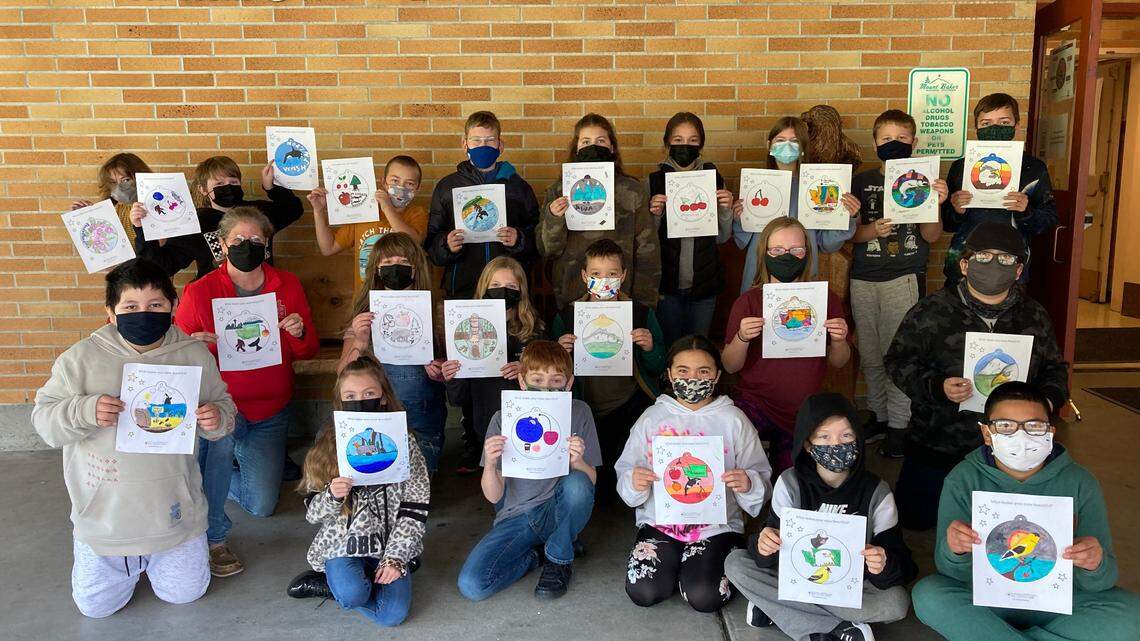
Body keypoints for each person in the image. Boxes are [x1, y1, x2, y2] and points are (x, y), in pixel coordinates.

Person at [31, 258, 236, 618]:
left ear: (173, 306)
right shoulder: (78, 360)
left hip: (175, 514)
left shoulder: (194, 356)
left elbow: (224, 409)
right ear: (110, 312)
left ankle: (160, 561)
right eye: (130, 306)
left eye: (156, 304)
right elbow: (45, 424)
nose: (144, 313)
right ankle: (126, 565)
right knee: (96, 608)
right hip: (107, 519)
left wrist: (216, 417)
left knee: (186, 594)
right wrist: (84, 411)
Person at [912, 382, 1140, 641]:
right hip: (988, 597)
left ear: (1050, 432)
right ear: (987, 434)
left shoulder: (1080, 482)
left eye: (1034, 426)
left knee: (1132, 615)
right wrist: (955, 550)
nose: (1021, 436)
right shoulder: (963, 479)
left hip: (1059, 600)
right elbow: (951, 572)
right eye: (1005, 426)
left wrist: (1094, 564)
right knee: (929, 595)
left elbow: (1102, 580)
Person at [885, 221, 1069, 531]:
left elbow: (1055, 369)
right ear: (965, 264)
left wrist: (1045, 403)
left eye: (1006, 258)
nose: (994, 264)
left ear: (1019, 270)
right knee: (916, 524)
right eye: (984, 256)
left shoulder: (1034, 315)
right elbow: (898, 361)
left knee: (1008, 531)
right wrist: (937, 387)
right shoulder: (931, 310)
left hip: (1014, 448)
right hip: (938, 443)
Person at [174, 207, 320, 576]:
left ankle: (219, 472)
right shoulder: (199, 291)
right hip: (219, 410)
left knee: (261, 505)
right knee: (212, 465)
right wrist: (192, 345)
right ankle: (214, 477)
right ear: (222, 245)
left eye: (256, 240)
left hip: (270, 410)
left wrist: (298, 333)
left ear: (267, 245)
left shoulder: (286, 284)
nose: (247, 246)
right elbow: (175, 359)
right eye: (238, 240)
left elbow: (309, 350)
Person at [724, 393, 916, 641]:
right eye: (824, 436)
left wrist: (883, 564)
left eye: (846, 435)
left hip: (848, 586)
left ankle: (776, 606)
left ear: (858, 439)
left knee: (896, 603)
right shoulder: (790, 482)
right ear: (807, 444)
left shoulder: (877, 491)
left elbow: (902, 566)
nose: (836, 444)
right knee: (735, 563)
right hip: (796, 578)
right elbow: (763, 556)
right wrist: (764, 546)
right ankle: (836, 628)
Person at [617, 335, 772, 613]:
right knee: (644, 589)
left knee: (705, 596)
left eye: (703, 371)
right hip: (661, 522)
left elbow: (760, 473)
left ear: (717, 375)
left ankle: (698, 564)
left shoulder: (734, 420)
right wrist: (634, 480)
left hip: (716, 526)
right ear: (669, 374)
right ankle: (678, 563)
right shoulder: (652, 418)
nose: (693, 378)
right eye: (683, 371)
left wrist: (748, 483)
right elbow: (626, 470)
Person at [457, 340, 601, 601]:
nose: (545, 387)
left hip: (558, 508)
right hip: (518, 514)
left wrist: (578, 461)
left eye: (556, 380)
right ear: (522, 381)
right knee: (473, 585)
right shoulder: (503, 418)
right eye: (536, 378)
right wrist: (489, 463)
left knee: (578, 483)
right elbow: (493, 496)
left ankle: (558, 557)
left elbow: (590, 481)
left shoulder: (579, 411)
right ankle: (537, 555)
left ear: (569, 384)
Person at [296, 356, 430, 627]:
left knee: (392, 616)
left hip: (390, 542)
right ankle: (336, 584)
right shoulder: (327, 446)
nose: (360, 399)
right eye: (351, 395)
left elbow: (415, 508)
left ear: (383, 397)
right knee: (353, 595)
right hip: (342, 545)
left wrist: (396, 557)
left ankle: (339, 584)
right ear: (340, 401)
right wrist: (332, 496)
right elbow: (313, 515)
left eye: (369, 393)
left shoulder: (405, 443)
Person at [849, 109, 948, 457]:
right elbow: (852, 236)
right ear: (874, 142)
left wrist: (935, 203)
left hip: (903, 278)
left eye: (902, 139)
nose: (894, 144)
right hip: (863, 278)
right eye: (886, 139)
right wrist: (872, 230)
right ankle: (878, 414)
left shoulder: (921, 178)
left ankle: (899, 426)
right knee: (872, 355)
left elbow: (932, 236)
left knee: (898, 355)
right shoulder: (861, 181)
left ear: (915, 142)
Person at [722, 217, 852, 474]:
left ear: (807, 253)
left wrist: (838, 340)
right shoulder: (748, 302)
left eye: (796, 250)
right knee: (729, 456)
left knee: (792, 480)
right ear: (765, 253)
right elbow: (729, 365)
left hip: (803, 411)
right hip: (755, 403)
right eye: (778, 250)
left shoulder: (825, 300)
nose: (787, 256)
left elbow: (839, 361)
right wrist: (742, 338)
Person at [550, 238, 667, 503]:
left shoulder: (640, 313)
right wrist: (560, 351)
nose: (605, 280)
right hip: (585, 406)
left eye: (612, 274)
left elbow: (660, 366)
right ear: (584, 276)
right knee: (597, 485)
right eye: (596, 274)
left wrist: (650, 348)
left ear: (623, 276)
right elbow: (553, 373)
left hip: (629, 403)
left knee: (624, 473)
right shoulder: (568, 316)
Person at [338, 232, 447, 473]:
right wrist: (361, 340)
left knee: (412, 490)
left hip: (420, 421)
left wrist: (440, 369)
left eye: (404, 263)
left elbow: (451, 371)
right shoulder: (364, 312)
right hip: (372, 419)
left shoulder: (435, 311)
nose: (395, 268)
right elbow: (343, 375)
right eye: (387, 263)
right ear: (376, 270)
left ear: (416, 269)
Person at [538, 113, 660, 308]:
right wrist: (554, 218)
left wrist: (643, 304)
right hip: (572, 294)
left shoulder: (632, 191)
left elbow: (648, 252)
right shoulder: (559, 191)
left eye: (600, 141)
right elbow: (548, 250)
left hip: (622, 295)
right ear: (576, 148)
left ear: (612, 148)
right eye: (586, 141)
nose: (592, 146)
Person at [941, 93, 1058, 285]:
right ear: (976, 127)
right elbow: (947, 224)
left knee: (1008, 315)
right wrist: (956, 211)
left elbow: (1048, 221)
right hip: (963, 266)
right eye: (986, 123)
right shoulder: (961, 167)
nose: (994, 128)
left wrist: (1026, 211)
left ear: (1016, 126)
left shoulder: (1034, 168)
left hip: (1012, 268)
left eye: (1004, 122)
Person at [732, 117, 860, 292]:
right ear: (769, 145)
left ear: (802, 148)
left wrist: (847, 216)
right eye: (780, 140)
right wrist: (739, 217)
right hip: (761, 272)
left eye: (794, 141)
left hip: (802, 272)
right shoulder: (755, 186)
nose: (787, 145)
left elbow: (828, 243)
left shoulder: (816, 189)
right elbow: (741, 240)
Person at [443, 256, 545, 474]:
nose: (503, 291)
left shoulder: (536, 331)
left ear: (521, 291)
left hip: (530, 424)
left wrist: (526, 368)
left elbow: (551, 381)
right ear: (483, 288)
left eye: (511, 286)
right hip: (486, 426)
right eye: (496, 285)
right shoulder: (465, 331)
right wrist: (452, 376)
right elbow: (458, 398)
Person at [423, 110, 539, 299]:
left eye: (490, 140)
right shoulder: (447, 187)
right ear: (465, 144)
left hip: (508, 289)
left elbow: (538, 239)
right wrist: (446, 245)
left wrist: (519, 239)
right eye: (476, 140)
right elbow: (431, 244)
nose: (482, 146)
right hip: (463, 287)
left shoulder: (518, 187)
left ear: (500, 146)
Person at [131, 156, 303, 282]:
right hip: (215, 295)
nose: (227, 186)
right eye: (219, 184)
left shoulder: (257, 212)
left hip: (261, 289)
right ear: (203, 189)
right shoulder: (196, 222)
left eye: (233, 182)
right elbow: (163, 265)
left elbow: (293, 209)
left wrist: (271, 188)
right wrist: (142, 228)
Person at [647, 112, 734, 346]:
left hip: (705, 285)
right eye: (678, 140)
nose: (685, 145)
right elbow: (647, 241)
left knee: (699, 346)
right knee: (670, 347)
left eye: (693, 140)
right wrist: (655, 215)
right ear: (667, 143)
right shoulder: (654, 181)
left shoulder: (714, 179)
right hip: (667, 286)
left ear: (701, 144)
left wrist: (725, 210)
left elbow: (723, 237)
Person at [309, 155, 429, 292]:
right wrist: (318, 212)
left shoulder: (417, 214)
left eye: (409, 184)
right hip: (365, 299)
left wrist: (387, 208)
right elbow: (328, 248)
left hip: (404, 296)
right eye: (395, 180)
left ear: (418, 188)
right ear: (383, 182)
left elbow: (413, 241)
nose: (400, 187)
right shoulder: (363, 212)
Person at [71, 152, 153, 245]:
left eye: (125, 180)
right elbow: (103, 243)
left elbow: (160, 247)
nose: (119, 187)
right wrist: (89, 216)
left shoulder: (154, 207)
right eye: (113, 182)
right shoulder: (114, 209)